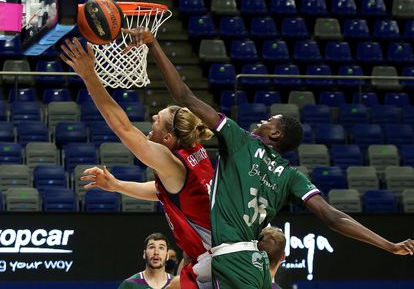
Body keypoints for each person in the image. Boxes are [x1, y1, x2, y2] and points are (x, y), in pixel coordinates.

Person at [122, 27, 414, 289]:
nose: (261, 121)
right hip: (257, 262)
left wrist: (154, 45)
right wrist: (387, 245)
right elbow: (333, 217)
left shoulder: (240, 141)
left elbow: (184, 95)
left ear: (275, 135)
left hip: (232, 261)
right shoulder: (291, 175)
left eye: (269, 121)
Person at [60, 38, 214, 289]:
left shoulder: (173, 163)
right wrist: (117, 185)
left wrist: (89, 76)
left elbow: (123, 128)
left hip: (215, 260)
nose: (152, 118)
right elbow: (163, 191)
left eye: (157, 120)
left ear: (167, 139)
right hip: (214, 256)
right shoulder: (195, 151)